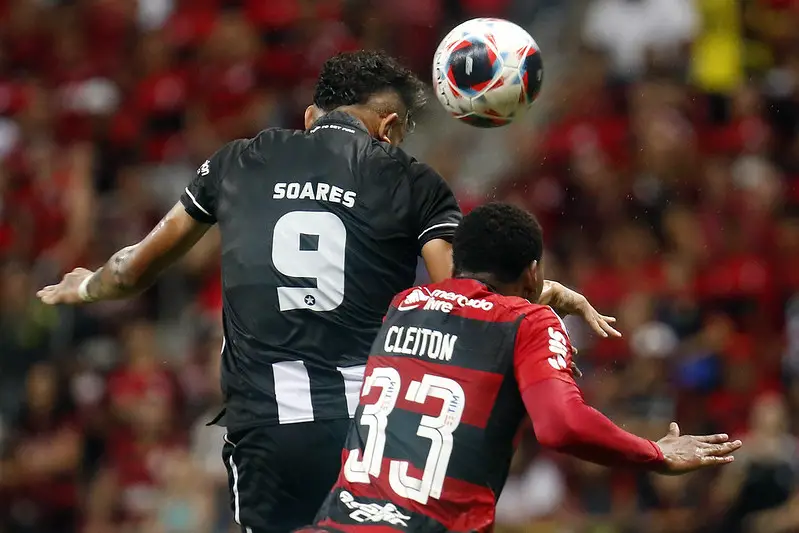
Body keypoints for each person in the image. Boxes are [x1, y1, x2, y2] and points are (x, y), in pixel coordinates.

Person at [36, 51, 617, 533]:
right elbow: (463, 301)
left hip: (266, 431)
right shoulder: (412, 182)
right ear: (390, 129)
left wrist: (85, 286)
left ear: (313, 115)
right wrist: (543, 296)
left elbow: (135, 270)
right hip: (370, 445)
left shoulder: (238, 161)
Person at [298, 203, 742, 533]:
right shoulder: (528, 322)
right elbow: (561, 426)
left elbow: (462, 313)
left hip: (335, 522)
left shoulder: (403, 306)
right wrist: (656, 453)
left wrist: (536, 292)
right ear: (531, 271)